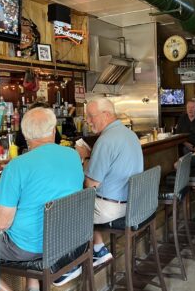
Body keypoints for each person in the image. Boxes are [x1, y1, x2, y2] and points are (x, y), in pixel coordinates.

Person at [0, 107, 85, 291]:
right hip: (66, 239)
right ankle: (32, 286)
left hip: (27, 247)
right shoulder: (73, 156)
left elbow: (1, 224)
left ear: (25, 134)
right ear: (54, 130)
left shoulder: (17, 166)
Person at [75, 98, 143, 267]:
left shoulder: (105, 141)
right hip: (134, 204)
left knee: (67, 211)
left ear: (106, 114)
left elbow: (91, 185)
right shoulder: (130, 134)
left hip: (112, 209)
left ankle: (68, 266)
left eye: (91, 116)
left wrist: (83, 159)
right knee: (84, 206)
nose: (88, 121)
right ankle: (99, 249)